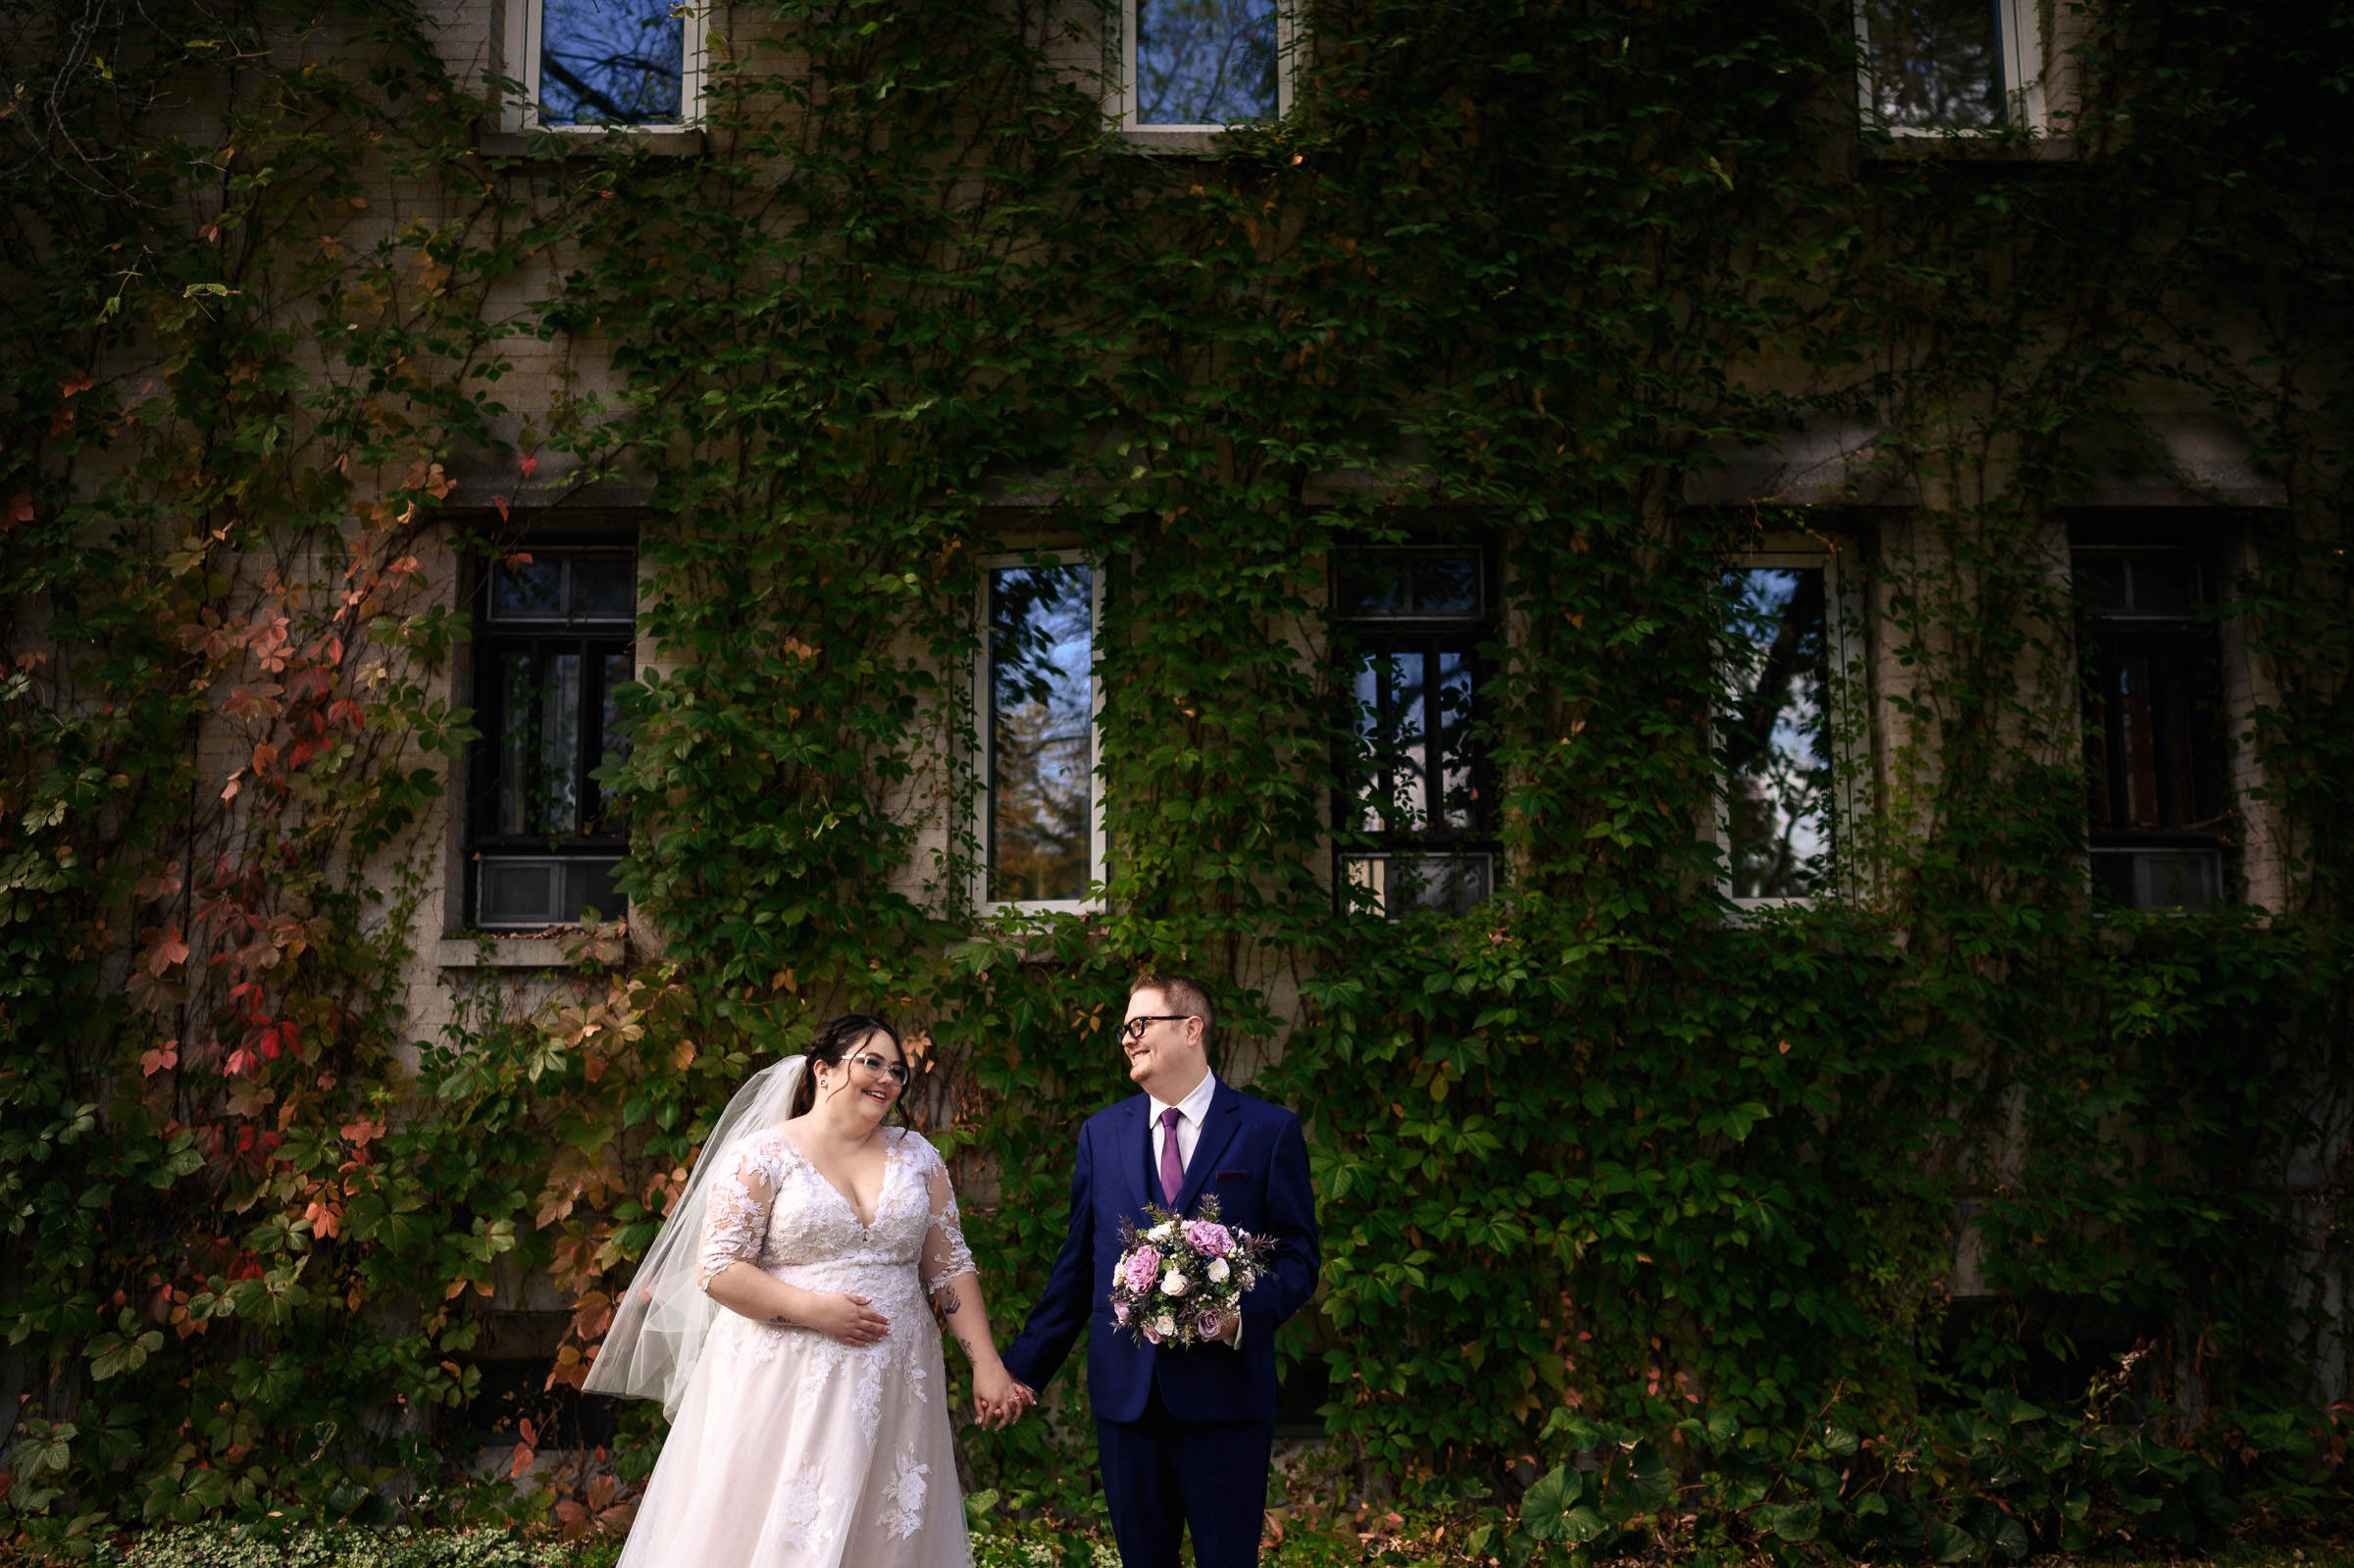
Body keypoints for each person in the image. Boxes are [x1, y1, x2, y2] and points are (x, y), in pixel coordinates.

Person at [585, 1014, 1032, 1567]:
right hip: (785, 1383)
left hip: (898, 1381)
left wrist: (986, 1363)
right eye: (872, 1063)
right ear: (823, 1070)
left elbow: (950, 1267)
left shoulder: (918, 1157)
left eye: (898, 1071)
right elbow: (720, 1267)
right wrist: (815, 1310)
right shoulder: (762, 1156)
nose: (888, 1080)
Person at [1000, 975, 1320, 1568]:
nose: (1127, 1039)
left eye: (1139, 1024)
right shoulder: (1102, 1133)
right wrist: (1019, 1372)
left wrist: (1237, 1318)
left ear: (1192, 1029)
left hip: (1227, 1400)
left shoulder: (1267, 1131)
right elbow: (1079, 1270)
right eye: (1125, 1028)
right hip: (1129, 1401)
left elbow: (1299, 1258)